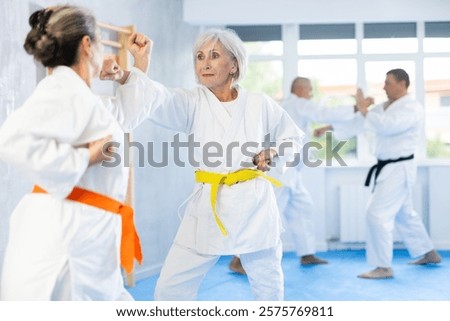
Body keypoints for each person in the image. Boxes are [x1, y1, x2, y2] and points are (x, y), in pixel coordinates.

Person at [118, 28, 303, 300]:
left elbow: (295, 137)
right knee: (170, 288)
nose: (204, 63)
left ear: (234, 65)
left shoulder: (259, 103)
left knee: (269, 290)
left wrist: (273, 151)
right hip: (207, 204)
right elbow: (156, 97)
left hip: (253, 206)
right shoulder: (191, 101)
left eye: (214, 56)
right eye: (199, 56)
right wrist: (134, 68)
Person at [0, 5, 152, 300]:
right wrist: (84, 158)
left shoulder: (80, 96)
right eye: (98, 43)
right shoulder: (62, 88)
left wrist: (136, 67)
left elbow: (122, 117)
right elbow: (11, 139)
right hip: (67, 241)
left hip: (86, 237)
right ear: (87, 45)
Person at [315, 69, 441, 279]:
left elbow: (387, 127)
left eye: (388, 83)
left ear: (402, 84)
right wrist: (327, 128)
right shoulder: (384, 107)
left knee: (376, 214)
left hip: (399, 168)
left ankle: (383, 266)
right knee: (404, 213)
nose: (384, 87)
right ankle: (428, 252)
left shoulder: (412, 107)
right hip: (389, 167)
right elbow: (361, 123)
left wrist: (365, 109)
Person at [229, 77, 359, 274]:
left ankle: (306, 253)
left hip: (291, 171)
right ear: (300, 89)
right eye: (309, 90)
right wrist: (356, 108)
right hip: (280, 171)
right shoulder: (296, 104)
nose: (311, 94)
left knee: (302, 209)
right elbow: (324, 112)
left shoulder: (289, 106)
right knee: (267, 215)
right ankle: (239, 259)